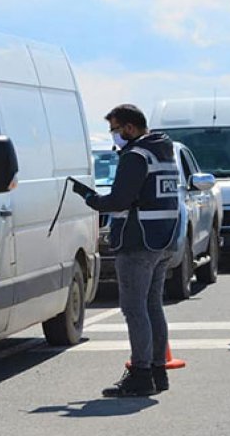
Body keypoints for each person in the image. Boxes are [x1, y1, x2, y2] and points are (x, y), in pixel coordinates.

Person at [72, 104, 181, 397]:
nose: (114, 135)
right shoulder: (163, 152)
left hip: (138, 242)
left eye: (115, 129)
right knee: (152, 307)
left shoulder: (136, 156)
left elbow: (120, 200)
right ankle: (158, 371)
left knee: (135, 310)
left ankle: (141, 373)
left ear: (130, 128)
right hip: (163, 240)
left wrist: (91, 199)